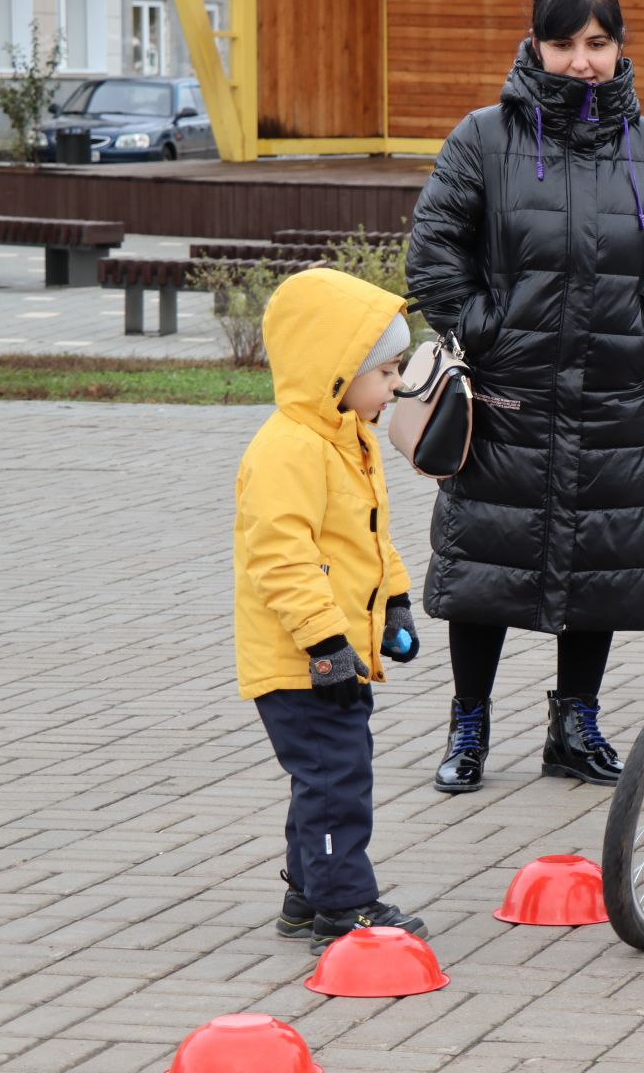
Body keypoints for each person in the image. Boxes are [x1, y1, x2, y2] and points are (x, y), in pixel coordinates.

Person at [406, 0, 644, 792]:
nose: (582, 61)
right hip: (509, 398)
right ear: (535, 45)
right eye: (564, 43)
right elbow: (433, 250)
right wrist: (486, 329)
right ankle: (468, 723)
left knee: (599, 564)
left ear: (619, 48)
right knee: (485, 560)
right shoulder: (483, 138)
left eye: (597, 43)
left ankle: (574, 724)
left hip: (612, 397)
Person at [235, 268, 426, 953]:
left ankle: (306, 893)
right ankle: (343, 907)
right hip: (300, 660)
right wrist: (324, 643)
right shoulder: (287, 450)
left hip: (335, 652)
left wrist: (397, 602)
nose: (396, 384)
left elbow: (369, 539)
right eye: (387, 370)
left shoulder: (349, 438)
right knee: (336, 780)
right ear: (337, 370)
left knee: (324, 774)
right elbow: (281, 560)